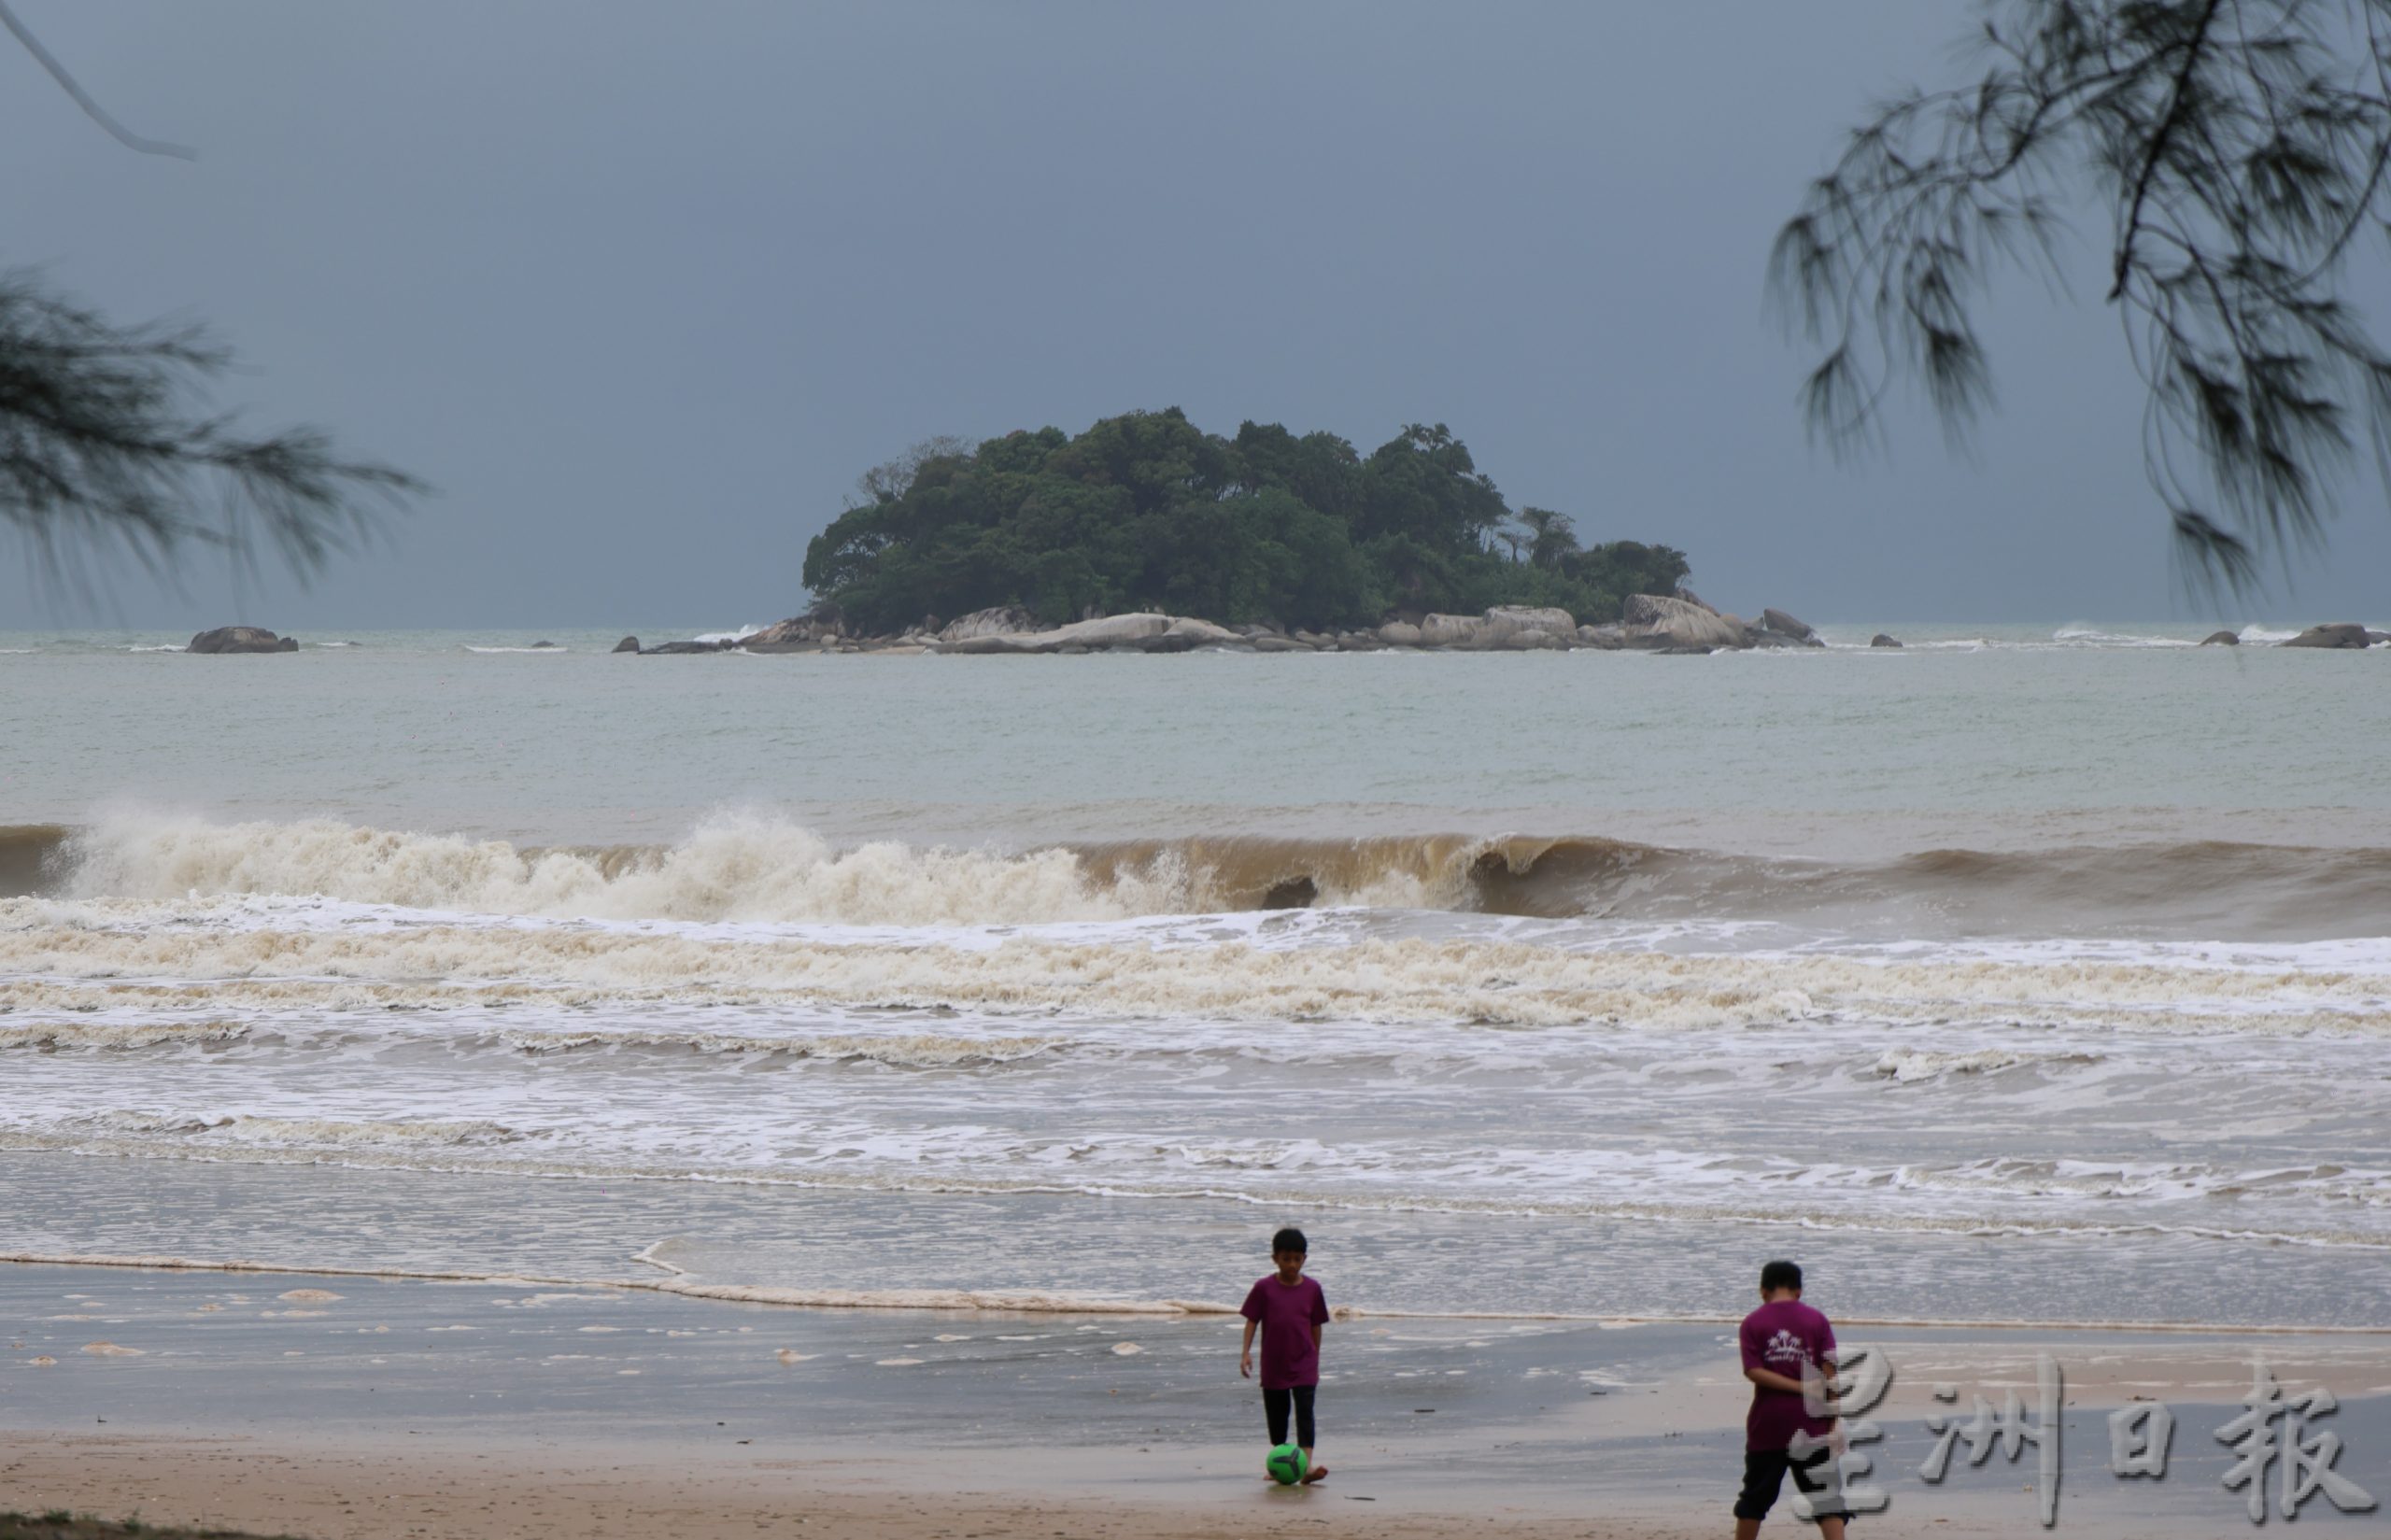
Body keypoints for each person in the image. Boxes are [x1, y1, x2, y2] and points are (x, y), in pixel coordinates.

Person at [1733, 1259, 1846, 1538]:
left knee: (1755, 1498)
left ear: (1763, 1291)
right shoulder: (1816, 1319)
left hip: (1767, 1423)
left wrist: (1796, 1387)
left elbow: (1754, 1371)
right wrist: (1832, 1412)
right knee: (1826, 1499)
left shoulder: (1753, 1322)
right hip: (1810, 1420)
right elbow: (1830, 1368)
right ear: (1799, 1291)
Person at [1238, 1225, 1331, 1485]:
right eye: (1286, 1259)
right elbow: (1251, 1321)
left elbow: (1316, 1325)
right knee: (1277, 1414)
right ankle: (1280, 1463)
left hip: (1304, 1362)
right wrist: (1245, 1353)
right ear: (1275, 1259)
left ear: (1304, 1259)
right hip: (1274, 1363)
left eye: (1297, 1259)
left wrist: (1315, 1358)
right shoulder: (1264, 1288)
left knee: (1305, 1412)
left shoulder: (1312, 1289)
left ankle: (1306, 1465)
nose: (1292, 1264)